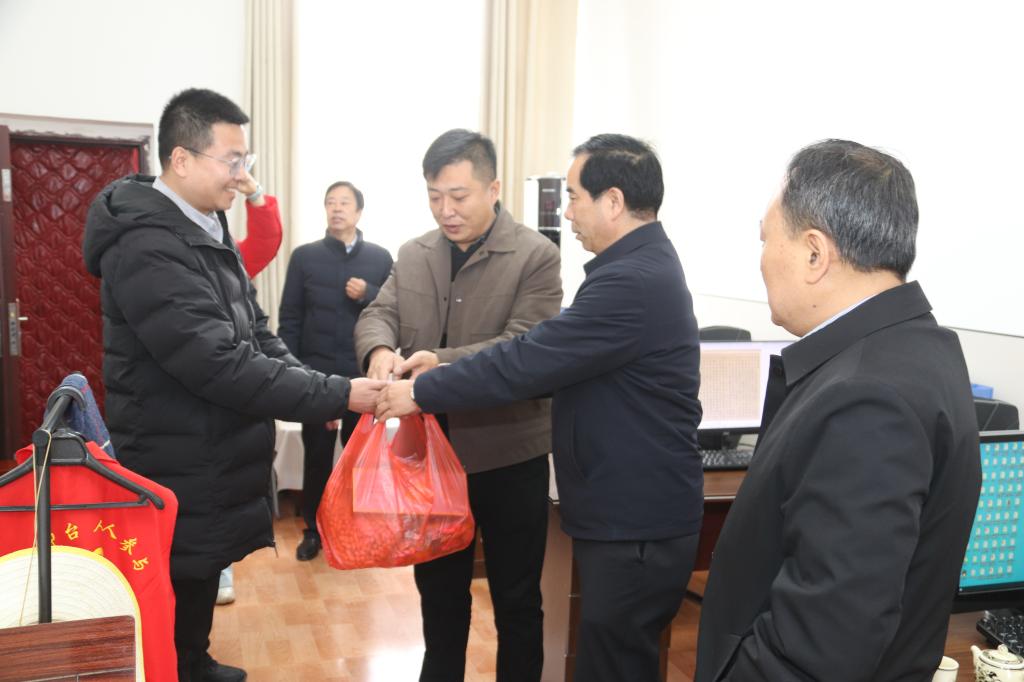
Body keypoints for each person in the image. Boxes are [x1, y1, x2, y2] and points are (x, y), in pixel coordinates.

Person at [82, 88, 384, 682]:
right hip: (174, 445)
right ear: (181, 159)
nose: (242, 175)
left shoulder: (205, 224)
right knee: (178, 574)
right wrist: (336, 394)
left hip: (206, 444)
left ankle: (193, 662)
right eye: (232, 160)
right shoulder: (146, 244)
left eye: (246, 159)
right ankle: (177, 668)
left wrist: (321, 386)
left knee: (199, 568)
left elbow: (257, 331)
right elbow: (217, 362)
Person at [376, 133, 703, 682]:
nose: (566, 211)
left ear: (613, 202)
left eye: (573, 196)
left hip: (634, 519)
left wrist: (422, 391)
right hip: (628, 512)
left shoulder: (630, 281)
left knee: (611, 663)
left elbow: (527, 359)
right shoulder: (636, 269)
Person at [694, 140, 981, 681]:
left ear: (814, 254)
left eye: (765, 239)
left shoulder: (867, 399)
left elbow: (820, 648)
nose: (761, 260)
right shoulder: (917, 349)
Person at [354, 129, 562, 681]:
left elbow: (524, 348)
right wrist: (378, 349)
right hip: (432, 457)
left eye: (459, 196)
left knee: (517, 597)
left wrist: (438, 364)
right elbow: (380, 312)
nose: (445, 210)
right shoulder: (414, 253)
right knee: (439, 595)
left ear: (493, 188)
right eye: (434, 196)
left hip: (509, 454)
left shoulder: (536, 256)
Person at [278, 180, 393, 561]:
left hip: (364, 375)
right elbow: (290, 319)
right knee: (317, 457)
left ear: (359, 211)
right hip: (317, 378)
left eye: (344, 203)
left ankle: (355, 528)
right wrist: (294, 375)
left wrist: (369, 293)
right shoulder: (305, 257)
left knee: (361, 457)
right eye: (331, 202)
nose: (337, 208)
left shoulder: (380, 258)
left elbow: (395, 311)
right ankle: (314, 529)